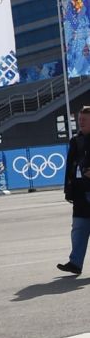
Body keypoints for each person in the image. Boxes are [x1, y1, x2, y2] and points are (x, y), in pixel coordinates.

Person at [57, 104, 90, 275]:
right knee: (78, 228)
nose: (81, 122)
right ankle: (75, 263)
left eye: (84, 120)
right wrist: (67, 189)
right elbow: (69, 166)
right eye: (80, 120)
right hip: (79, 191)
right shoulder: (75, 141)